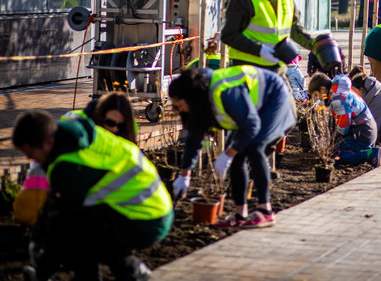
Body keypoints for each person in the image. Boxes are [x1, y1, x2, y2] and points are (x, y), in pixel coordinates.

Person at [13, 110, 173, 281]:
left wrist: (42, 269)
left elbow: (59, 221)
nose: (29, 158)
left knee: (77, 230)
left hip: (147, 220)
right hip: (156, 207)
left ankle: (132, 273)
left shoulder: (67, 166)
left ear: (48, 142)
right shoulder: (75, 130)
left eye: (30, 151)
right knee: (83, 224)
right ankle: (124, 272)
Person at [169, 66, 296, 229]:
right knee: (238, 155)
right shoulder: (199, 102)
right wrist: (185, 174)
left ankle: (266, 211)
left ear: (190, 97)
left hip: (273, 96)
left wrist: (227, 154)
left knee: (254, 147)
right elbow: (194, 138)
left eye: (180, 105)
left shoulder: (224, 92)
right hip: (251, 110)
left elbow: (252, 126)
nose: (180, 110)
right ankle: (240, 214)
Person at [307, 73, 381, 166]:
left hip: (363, 133)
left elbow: (343, 127)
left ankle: (369, 155)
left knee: (335, 157)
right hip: (366, 130)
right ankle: (364, 151)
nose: (317, 98)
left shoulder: (338, 100)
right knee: (334, 151)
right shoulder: (338, 91)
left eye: (316, 95)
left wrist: (334, 142)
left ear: (322, 89)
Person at [62, 91, 139, 143]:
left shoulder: (131, 126)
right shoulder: (73, 122)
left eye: (121, 126)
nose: (115, 128)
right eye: (110, 123)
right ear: (100, 116)